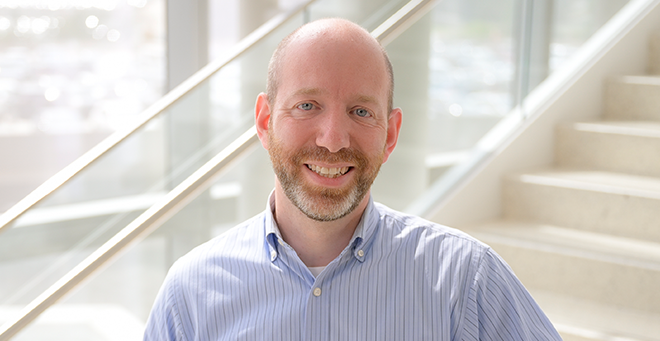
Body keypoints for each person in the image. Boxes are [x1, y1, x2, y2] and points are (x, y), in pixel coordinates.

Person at [143, 18, 562, 340]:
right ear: (265, 121)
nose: (333, 140)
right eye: (308, 105)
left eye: (361, 112)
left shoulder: (465, 280)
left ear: (391, 135)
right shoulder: (191, 292)